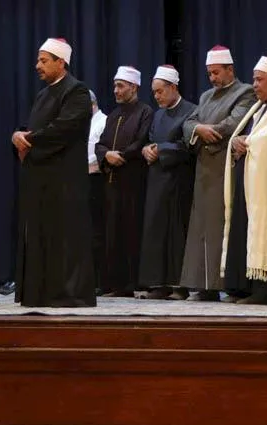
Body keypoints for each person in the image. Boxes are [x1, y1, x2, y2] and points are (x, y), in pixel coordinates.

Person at [11, 37, 95, 307]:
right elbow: (31, 127)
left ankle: (66, 294)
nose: (38, 66)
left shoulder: (77, 91)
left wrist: (29, 140)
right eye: (38, 60)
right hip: (40, 176)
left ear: (61, 63)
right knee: (39, 234)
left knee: (64, 237)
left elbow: (64, 128)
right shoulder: (43, 94)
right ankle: (39, 293)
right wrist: (17, 136)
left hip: (64, 179)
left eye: (44, 61)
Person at [178, 45, 256, 301]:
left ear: (230, 69)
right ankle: (203, 285)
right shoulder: (205, 96)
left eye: (216, 72)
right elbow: (188, 122)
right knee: (201, 228)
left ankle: (226, 284)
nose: (212, 78)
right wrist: (198, 129)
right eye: (209, 73)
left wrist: (207, 130)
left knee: (221, 227)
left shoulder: (245, 92)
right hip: (204, 168)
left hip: (226, 167)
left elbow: (234, 123)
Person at [221, 56, 267, 305]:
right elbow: (250, 135)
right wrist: (236, 141)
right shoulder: (260, 107)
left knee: (265, 228)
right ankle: (243, 286)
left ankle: (265, 289)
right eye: (254, 79)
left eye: (259, 80)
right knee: (244, 228)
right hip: (251, 176)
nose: (254, 85)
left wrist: (248, 142)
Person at [137, 65, 196, 300]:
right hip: (156, 180)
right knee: (155, 230)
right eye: (154, 92)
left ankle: (179, 286)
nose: (157, 96)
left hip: (178, 180)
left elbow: (188, 145)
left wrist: (160, 149)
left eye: (160, 91)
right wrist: (146, 149)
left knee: (175, 233)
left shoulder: (191, 111)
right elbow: (150, 140)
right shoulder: (158, 114)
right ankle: (157, 284)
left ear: (173, 87)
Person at [95, 66, 153, 297]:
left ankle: (131, 284)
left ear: (134, 87)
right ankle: (113, 284)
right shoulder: (113, 115)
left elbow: (140, 141)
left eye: (120, 86)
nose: (116, 91)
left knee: (131, 232)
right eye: (115, 86)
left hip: (133, 182)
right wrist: (106, 155)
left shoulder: (145, 112)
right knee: (111, 233)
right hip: (111, 183)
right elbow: (100, 144)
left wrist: (120, 156)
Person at [87, 90, 107, 292]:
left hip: (95, 180)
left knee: (96, 231)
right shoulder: (82, 124)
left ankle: (98, 281)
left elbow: (98, 155)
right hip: (79, 180)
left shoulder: (103, 122)